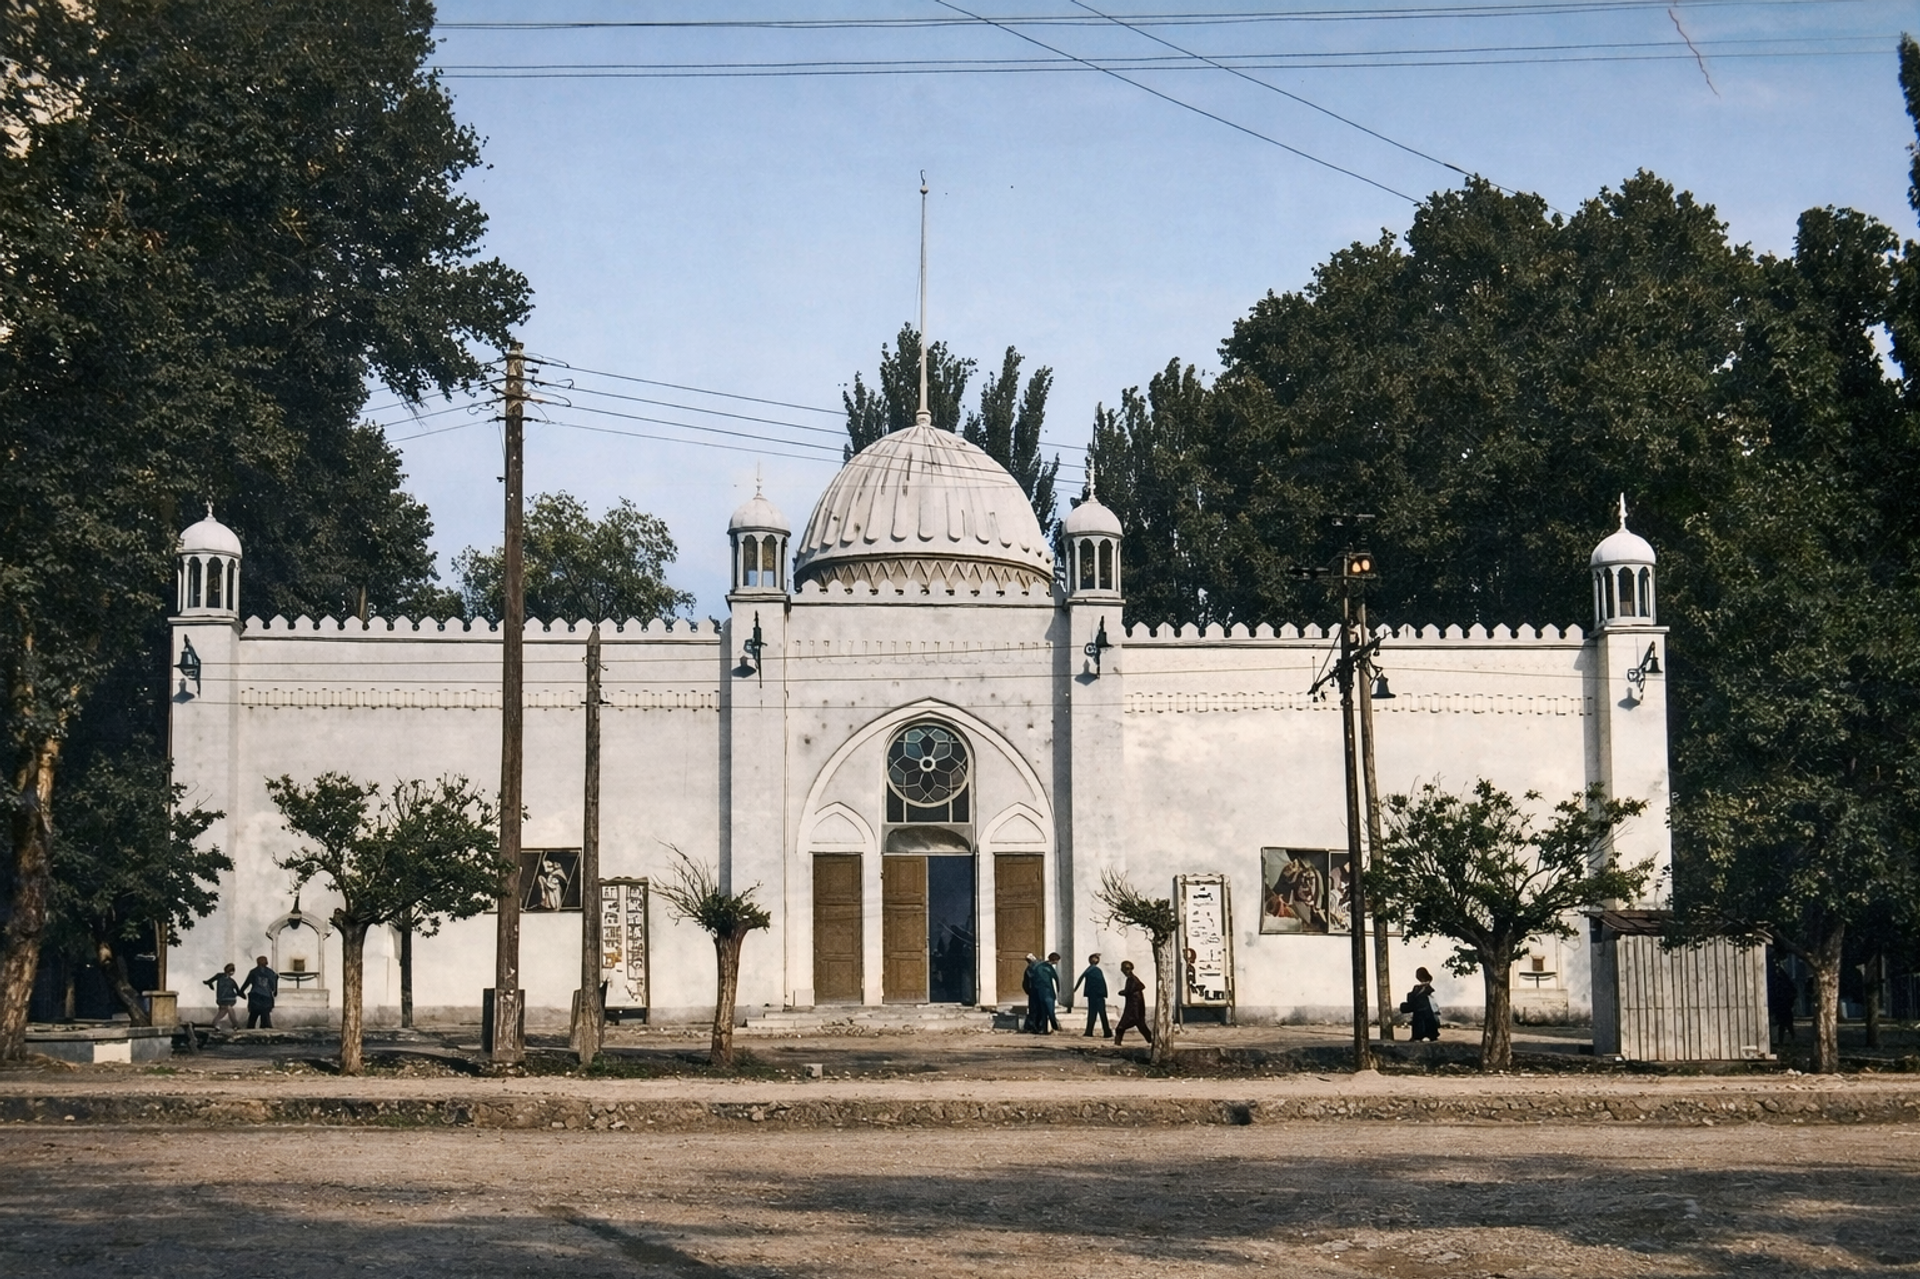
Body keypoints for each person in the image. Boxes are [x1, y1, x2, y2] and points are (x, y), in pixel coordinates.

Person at [1113, 959, 1152, 1047]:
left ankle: (1117, 1045)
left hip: (1133, 1010)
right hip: (1135, 1010)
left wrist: (1122, 992)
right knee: (1142, 1027)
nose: (1124, 971)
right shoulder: (1132, 979)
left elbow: (1129, 991)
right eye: (1124, 969)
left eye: (1126, 969)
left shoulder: (1132, 980)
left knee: (1120, 1028)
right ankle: (1151, 1041)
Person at [1074, 953, 1111, 1038]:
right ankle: (1106, 1032)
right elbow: (1101, 983)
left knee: (1092, 1013)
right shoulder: (1096, 970)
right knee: (1102, 1014)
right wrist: (1103, 993)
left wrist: (1075, 989)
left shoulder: (1089, 969)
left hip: (1092, 995)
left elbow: (1081, 978)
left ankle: (1089, 1031)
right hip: (1098, 995)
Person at [1403, 966, 1441, 1042]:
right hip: (1427, 1010)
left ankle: (1419, 1037)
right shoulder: (1427, 988)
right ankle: (1431, 1036)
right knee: (1429, 1024)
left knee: (1419, 1025)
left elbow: (1412, 998)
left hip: (1419, 1010)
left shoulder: (1417, 988)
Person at [240, 955, 278, 1030]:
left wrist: (241, 991)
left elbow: (247, 983)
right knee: (265, 1017)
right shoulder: (271, 973)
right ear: (266, 962)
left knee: (253, 1016)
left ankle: (250, 1030)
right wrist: (275, 991)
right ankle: (265, 1030)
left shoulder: (253, 972)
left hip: (255, 996)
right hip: (266, 997)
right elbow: (273, 986)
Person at [203, 963, 241, 1032]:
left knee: (224, 1011)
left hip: (223, 999)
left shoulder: (221, 977)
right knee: (228, 1009)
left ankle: (216, 1024)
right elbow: (238, 991)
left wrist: (210, 984)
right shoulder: (231, 981)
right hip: (227, 999)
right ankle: (235, 1025)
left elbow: (208, 981)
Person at [1020, 953, 1045, 1033]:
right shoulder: (1042, 967)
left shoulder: (1029, 969)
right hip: (1041, 991)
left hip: (1033, 991)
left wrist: (1028, 991)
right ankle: (1040, 1027)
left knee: (1033, 1009)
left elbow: (1026, 983)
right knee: (1041, 1009)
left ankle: (1032, 1027)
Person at [1040, 952, 1063, 1032]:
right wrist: (1058, 990)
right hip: (1049, 993)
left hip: (1040, 992)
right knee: (1050, 1012)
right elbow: (1056, 979)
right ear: (1055, 960)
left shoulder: (1040, 966)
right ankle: (1055, 1027)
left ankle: (1044, 1029)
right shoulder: (1050, 969)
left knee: (1043, 1012)